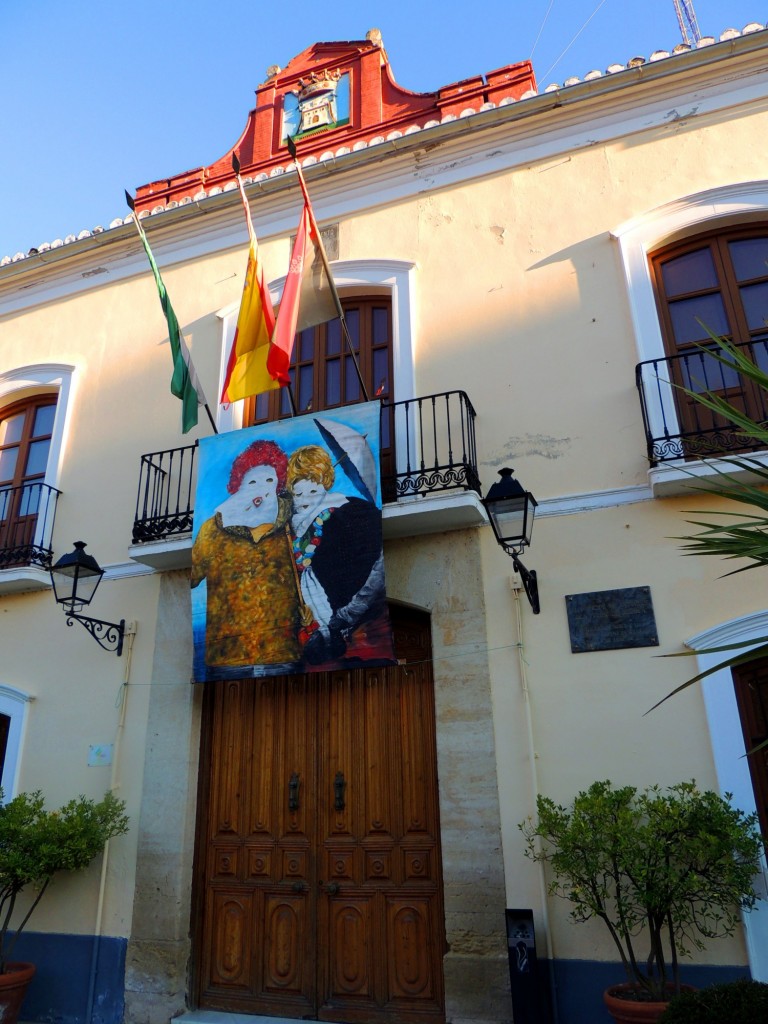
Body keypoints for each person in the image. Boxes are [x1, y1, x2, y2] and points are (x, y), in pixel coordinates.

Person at [191, 439, 301, 674]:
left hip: (282, 652)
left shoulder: (294, 522)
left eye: (269, 480)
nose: (262, 489)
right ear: (238, 486)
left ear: (278, 483)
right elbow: (192, 576)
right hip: (228, 657)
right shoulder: (212, 529)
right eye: (252, 482)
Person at [286, 445, 389, 665]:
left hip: (352, 625)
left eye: (313, 492)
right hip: (312, 626)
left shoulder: (352, 511)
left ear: (325, 486)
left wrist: (349, 613)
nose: (305, 500)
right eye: (298, 494)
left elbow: (373, 564)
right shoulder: (289, 526)